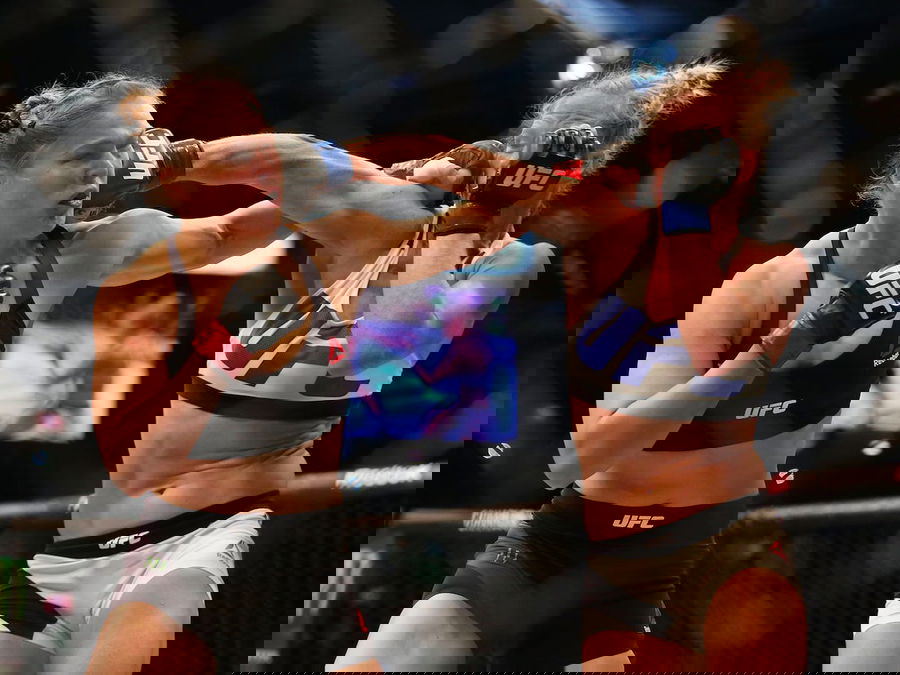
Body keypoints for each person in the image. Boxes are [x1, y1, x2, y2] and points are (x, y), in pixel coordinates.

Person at [327, 135, 900, 671]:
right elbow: (594, 444)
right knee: (443, 619)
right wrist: (774, 361)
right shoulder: (785, 279)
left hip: (743, 550)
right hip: (607, 521)